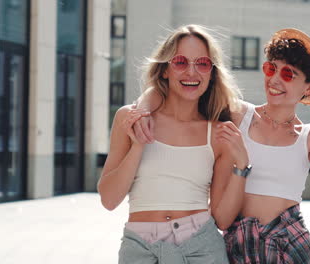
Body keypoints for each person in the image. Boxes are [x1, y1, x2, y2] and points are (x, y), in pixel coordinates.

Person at [128, 28, 310, 263]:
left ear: (308, 87)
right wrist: (144, 108)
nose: (275, 80)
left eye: (288, 74)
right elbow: (175, 89)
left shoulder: (309, 137)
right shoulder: (239, 115)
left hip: (288, 244)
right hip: (240, 242)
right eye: (271, 69)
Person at [97, 24, 251, 264]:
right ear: (165, 70)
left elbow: (222, 219)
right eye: (180, 62)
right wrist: (138, 146)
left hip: (201, 248)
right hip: (140, 249)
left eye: (202, 64)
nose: (192, 72)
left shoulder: (217, 132)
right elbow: (109, 200)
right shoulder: (130, 118)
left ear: (212, 73)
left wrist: (242, 165)